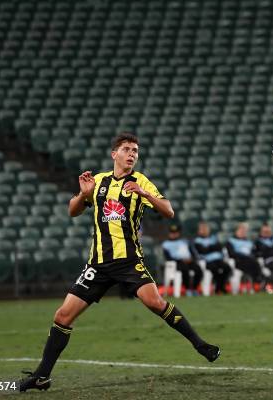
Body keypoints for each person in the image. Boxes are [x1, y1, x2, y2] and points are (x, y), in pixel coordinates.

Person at [19, 133, 220, 392]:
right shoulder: (99, 181)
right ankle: (42, 376)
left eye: (135, 150)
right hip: (98, 264)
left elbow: (169, 211)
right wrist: (83, 196)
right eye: (127, 149)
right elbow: (72, 211)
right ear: (114, 154)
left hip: (128, 260)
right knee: (62, 315)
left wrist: (144, 192)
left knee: (155, 302)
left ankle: (200, 344)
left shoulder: (140, 181)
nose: (132, 154)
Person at [162, 224, 203, 296]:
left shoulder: (185, 241)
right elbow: (168, 257)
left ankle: (194, 288)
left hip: (189, 261)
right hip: (177, 262)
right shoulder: (166, 244)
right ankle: (187, 289)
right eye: (172, 232)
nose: (174, 234)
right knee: (185, 270)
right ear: (169, 233)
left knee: (198, 269)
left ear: (179, 233)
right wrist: (180, 260)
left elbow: (192, 252)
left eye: (176, 232)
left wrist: (192, 259)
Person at [193, 221, 232, 294]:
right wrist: (212, 247)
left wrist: (209, 248)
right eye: (202, 229)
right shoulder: (197, 240)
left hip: (218, 259)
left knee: (228, 268)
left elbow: (219, 247)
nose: (204, 230)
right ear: (199, 231)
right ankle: (220, 288)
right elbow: (203, 251)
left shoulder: (213, 238)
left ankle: (219, 287)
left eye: (205, 228)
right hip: (207, 261)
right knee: (215, 270)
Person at [226, 223, 263, 292]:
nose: (243, 232)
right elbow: (231, 254)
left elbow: (254, 252)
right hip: (238, 261)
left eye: (244, 231)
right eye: (241, 230)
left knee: (254, 262)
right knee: (253, 263)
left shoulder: (249, 242)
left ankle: (256, 283)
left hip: (250, 261)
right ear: (236, 231)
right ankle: (256, 283)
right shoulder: (231, 241)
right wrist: (243, 255)